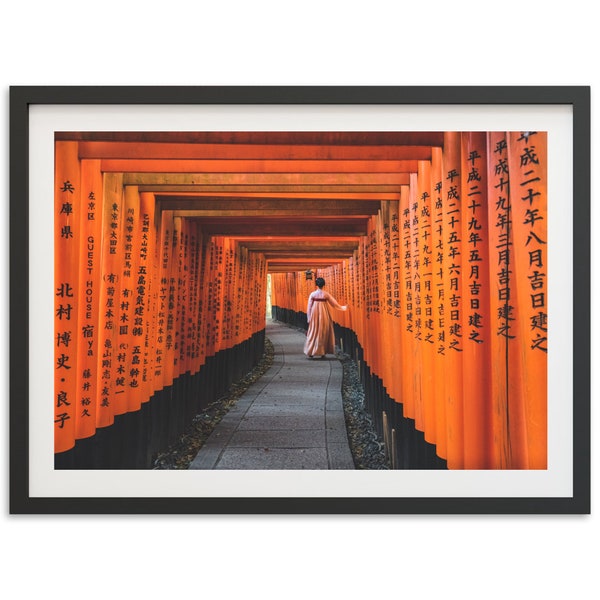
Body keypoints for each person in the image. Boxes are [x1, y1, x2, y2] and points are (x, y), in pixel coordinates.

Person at [304, 277, 347, 359]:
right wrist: (343, 307)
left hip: (314, 314)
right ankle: (322, 352)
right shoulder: (326, 294)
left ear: (316, 285)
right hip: (324, 314)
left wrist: (309, 318)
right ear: (323, 285)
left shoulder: (313, 294)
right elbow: (334, 304)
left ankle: (311, 352)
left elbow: (309, 307)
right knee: (323, 332)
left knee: (313, 332)